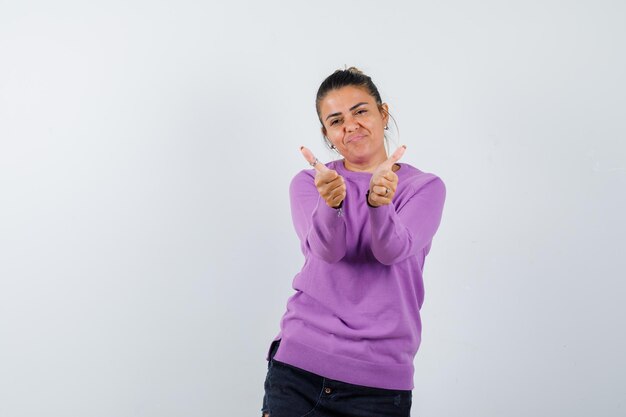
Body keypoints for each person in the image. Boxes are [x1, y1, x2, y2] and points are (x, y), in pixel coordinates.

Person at [261, 67, 446, 417]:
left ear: (383, 113)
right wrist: (332, 205)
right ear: (327, 134)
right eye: (336, 120)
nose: (350, 125)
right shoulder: (309, 183)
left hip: (378, 385)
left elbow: (392, 250)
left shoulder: (425, 187)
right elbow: (327, 251)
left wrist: (379, 204)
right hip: (298, 371)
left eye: (360, 111)